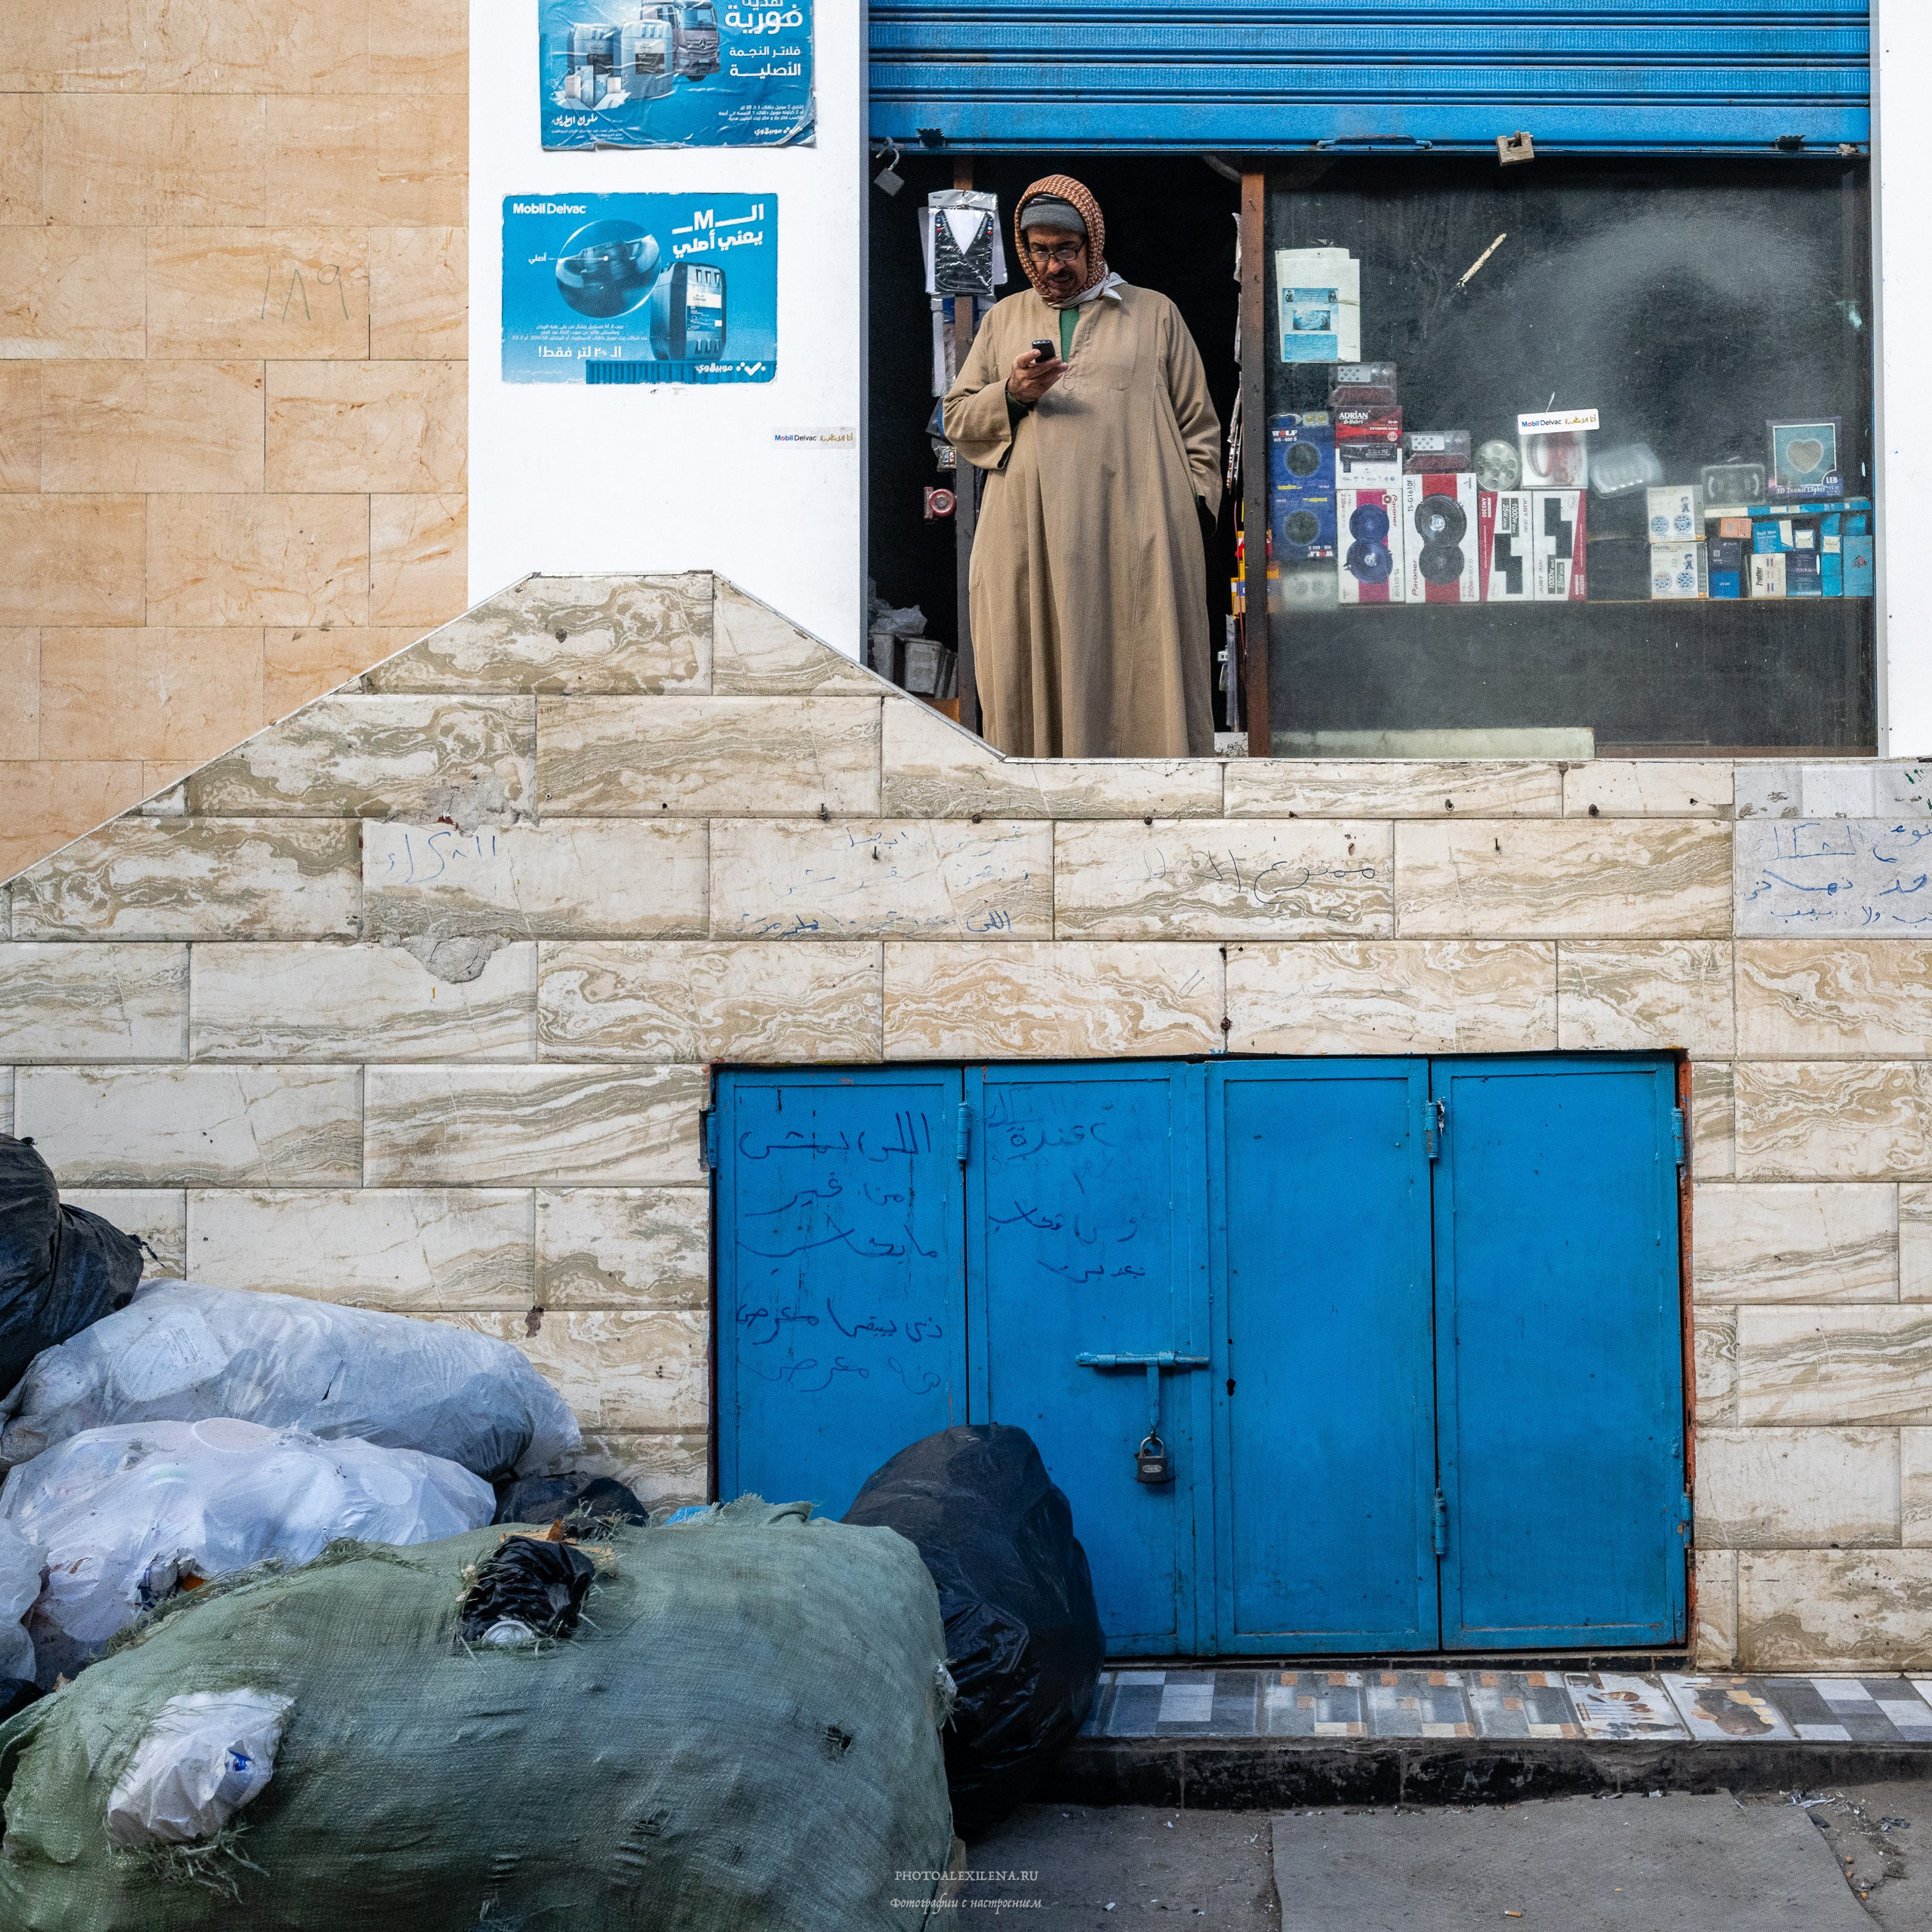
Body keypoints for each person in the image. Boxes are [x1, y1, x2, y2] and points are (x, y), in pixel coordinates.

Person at [943, 174, 1223, 758]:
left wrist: (1189, 516)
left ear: (1092, 245)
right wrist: (1014, 393)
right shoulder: (1004, 320)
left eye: (1065, 250)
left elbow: (1200, 428)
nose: (1051, 266)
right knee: (1031, 678)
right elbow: (958, 419)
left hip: (1136, 541)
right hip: (1032, 540)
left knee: (1141, 677)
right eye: (1039, 251)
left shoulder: (1154, 315)